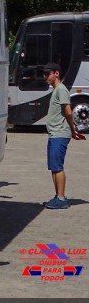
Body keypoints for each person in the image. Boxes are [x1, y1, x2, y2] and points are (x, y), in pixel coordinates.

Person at [42, 62, 85, 209]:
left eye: (48, 74)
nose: (45, 77)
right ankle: (57, 196)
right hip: (55, 133)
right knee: (54, 167)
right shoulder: (56, 90)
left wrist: (73, 129)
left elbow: (67, 111)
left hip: (59, 133)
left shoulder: (61, 90)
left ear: (56, 74)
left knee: (58, 167)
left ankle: (61, 199)